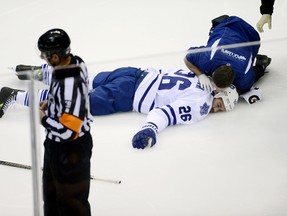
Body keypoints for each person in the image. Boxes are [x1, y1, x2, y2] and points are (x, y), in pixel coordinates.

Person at [0, 66, 238, 149]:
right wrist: (150, 129)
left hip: (132, 73)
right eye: (219, 105)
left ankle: (44, 72)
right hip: (127, 94)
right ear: (219, 92)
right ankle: (14, 96)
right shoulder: (201, 105)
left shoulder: (200, 77)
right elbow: (163, 113)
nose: (215, 109)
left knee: (85, 79)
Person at [36, 29, 93, 216]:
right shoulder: (74, 62)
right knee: (51, 198)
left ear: (55, 55)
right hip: (55, 146)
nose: (42, 58)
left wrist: (44, 119)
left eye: (44, 55)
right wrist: (51, 103)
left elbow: (69, 131)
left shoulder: (71, 81)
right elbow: (67, 102)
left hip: (71, 151)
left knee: (71, 205)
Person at [184, 15, 271, 103]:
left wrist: (236, 92)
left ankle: (262, 64)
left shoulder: (243, 79)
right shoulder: (208, 60)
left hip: (250, 36)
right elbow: (187, 57)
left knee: (252, 78)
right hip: (236, 27)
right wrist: (201, 75)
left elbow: (188, 57)